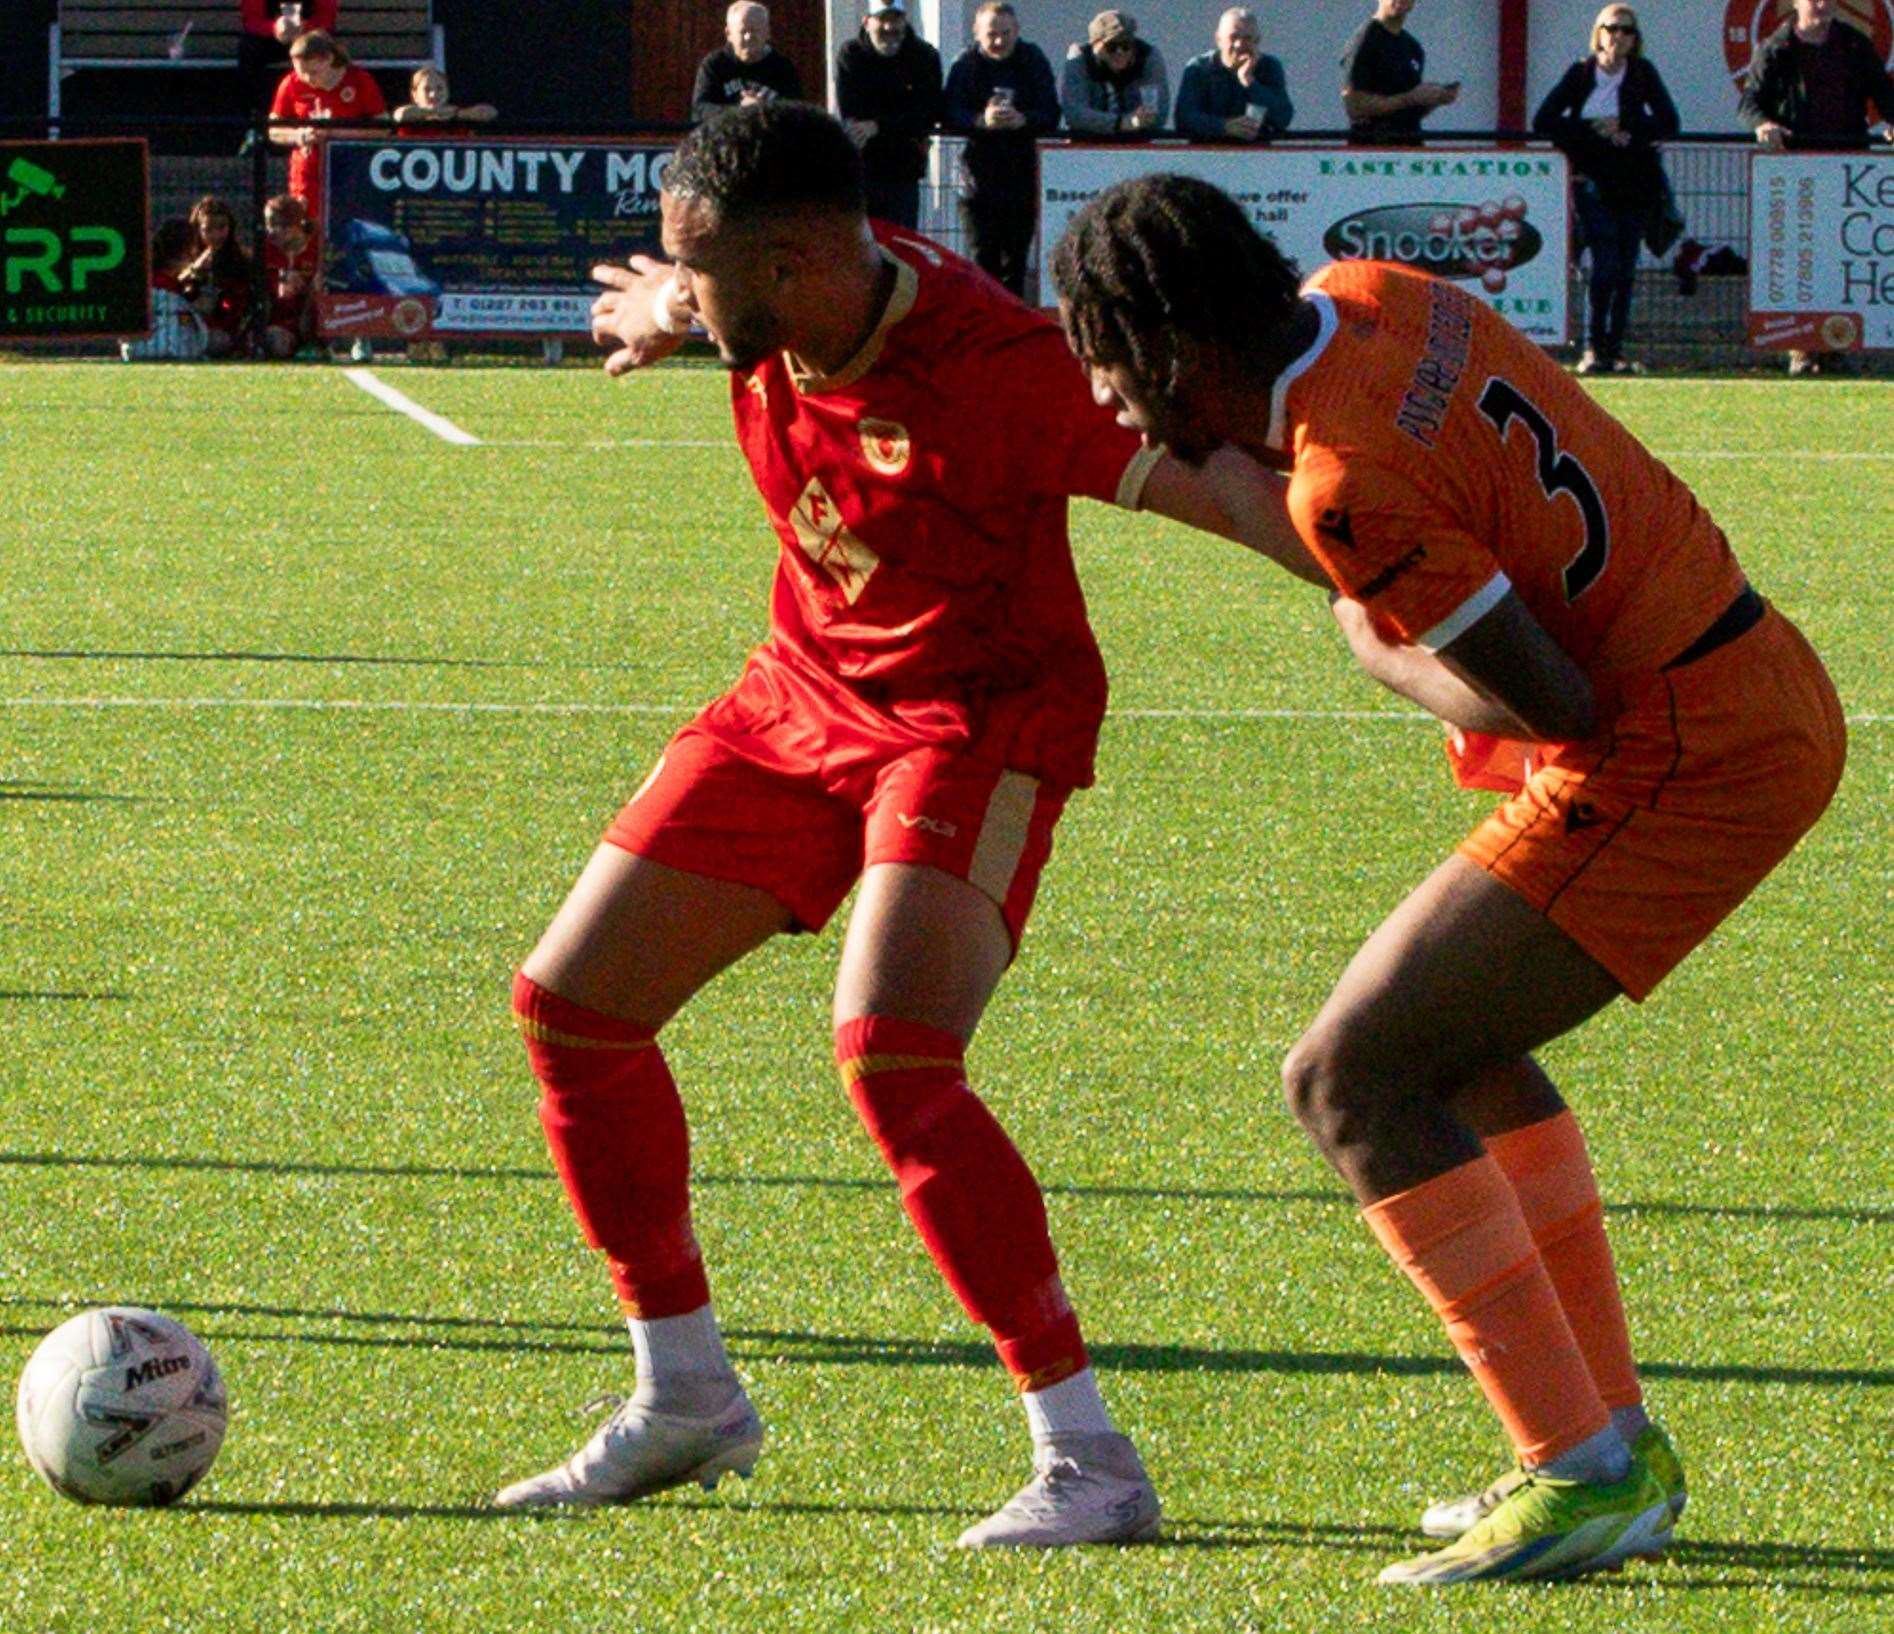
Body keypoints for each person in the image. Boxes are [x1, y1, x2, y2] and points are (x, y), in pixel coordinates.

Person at [1053, 171, 1845, 1584]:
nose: (1108, 399)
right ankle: (1606, 1438)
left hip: (1684, 740)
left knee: (1346, 1075)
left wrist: (1375, 648)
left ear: (1171, 351)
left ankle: (1581, 1470)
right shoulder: (1380, 296)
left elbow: (1540, 702)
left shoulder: (1341, 479)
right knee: (1453, 1047)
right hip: (1741, 670)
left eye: (1107, 360)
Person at [491, 103, 1253, 1548]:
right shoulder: (781, 298)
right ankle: (685, 1395)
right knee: (573, 1006)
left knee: (891, 1052)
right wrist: (668, 304)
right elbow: (692, 290)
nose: (675, 287)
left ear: (785, 265)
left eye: (693, 270)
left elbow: (1221, 491)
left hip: (976, 720)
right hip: (803, 694)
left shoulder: (998, 372)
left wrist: (1421, 595)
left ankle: (1087, 1456)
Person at [1738, 0, 1894, 375]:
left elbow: (1883, 92)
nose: (1822, 5)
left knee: (1839, 258)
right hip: (1797, 172)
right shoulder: (1777, 47)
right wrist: (1763, 125)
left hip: (1845, 170)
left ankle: (1835, 344)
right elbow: (1750, 104)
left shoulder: (1854, 44)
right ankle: (1801, 347)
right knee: (1799, 258)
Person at [1533, 5, 1679, 376]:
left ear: (1635, 39)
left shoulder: (1643, 74)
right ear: (1599, 33)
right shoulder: (1580, 74)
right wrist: (1593, 129)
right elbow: (1544, 120)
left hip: (1634, 184)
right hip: (1593, 184)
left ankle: (1614, 350)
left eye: (1627, 31)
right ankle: (1593, 347)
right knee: (1604, 266)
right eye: (1612, 29)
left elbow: (1668, 122)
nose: (1619, 36)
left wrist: (1628, 126)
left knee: (1626, 270)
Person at [943, 2, 1059, 297]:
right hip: (975, 180)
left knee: (1016, 263)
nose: (999, 41)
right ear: (977, 33)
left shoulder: (1032, 60)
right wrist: (980, 120)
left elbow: (1051, 113)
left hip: (1021, 177)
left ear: (1017, 31)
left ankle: (1012, 329)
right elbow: (948, 112)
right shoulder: (965, 64)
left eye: (1006, 33)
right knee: (982, 260)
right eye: (992, 34)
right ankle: (984, 327)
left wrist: (1024, 119)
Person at [834, 0, 944, 229]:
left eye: (895, 19)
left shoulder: (925, 57)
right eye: (882, 19)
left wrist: (878, 126)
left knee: (901, 250)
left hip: (903, 172)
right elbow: (851, 111)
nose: (888, 27)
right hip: (862, 170)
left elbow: (927, 113)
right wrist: (899, 121)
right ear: (867, 21)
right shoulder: (850, 55)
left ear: (905, 20)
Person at [269, 29, 389, 237]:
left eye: (313, 72)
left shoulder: (359, 80)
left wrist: (336, 134)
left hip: (350, 167)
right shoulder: (290, 84)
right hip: (308, 169)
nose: (307, 79)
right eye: (301, 72)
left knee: (348, 226)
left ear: (329, 59)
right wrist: (297, 136)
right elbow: (273, 129)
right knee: (308, 225)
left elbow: (383, 128)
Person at [1340, 0, 1457, 145]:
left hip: (1409, 147)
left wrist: (1433, 99)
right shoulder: (1366, 39)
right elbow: (1354, 106)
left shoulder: (1412, 47)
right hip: (1374, 150)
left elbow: (1407, 110)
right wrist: (1409, 98)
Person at [1175, 8, 1293, 142]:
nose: (1239, 45)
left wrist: (1249, 82)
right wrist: (1224, 127)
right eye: (1233, 37)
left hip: (1257, 156)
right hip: (1207, 155)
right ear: (1218, 39)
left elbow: (1283, 118)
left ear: (1257, 41)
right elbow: (1184, 118)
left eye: (1247, 38)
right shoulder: (1199, 68)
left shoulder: (1269, 67)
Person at [1061, 11, 1170, 138]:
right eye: (1111, 46)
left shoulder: (1148, 57)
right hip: (1087, 145)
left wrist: (1145, 119)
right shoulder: (1080, 59)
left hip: (1138, 146)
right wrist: (1123, 123)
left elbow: (1159, 113)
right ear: (1095, 45)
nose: (1120, 52)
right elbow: (1075, 114)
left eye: (1126, 46)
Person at [692, 3, 804, 124]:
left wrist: (765, 109)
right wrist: (741, 111)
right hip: (728, 138)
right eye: (743, 31)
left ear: (768, 33)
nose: (749, 37)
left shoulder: (782, 68)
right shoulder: (715, 65)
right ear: (728, 34)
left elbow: (797, 113)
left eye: (755, 31)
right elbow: (700, 110)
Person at [178, 195, 255, 359]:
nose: (216, 235)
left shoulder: (241, 259)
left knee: (218, 341)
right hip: (189, 324)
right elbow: (175, 285)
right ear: (198, 230)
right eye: (208, 230)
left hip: (225, 327)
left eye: (222, 228)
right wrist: (195, 271)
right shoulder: (186, 256)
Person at [121, 220, 209, 362]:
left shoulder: (147, 282)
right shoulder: (167, 289)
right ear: (186, 252)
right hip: (170, 352)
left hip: (134, 353)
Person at [239, 0, 338, 114]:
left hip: (309, 36)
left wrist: (304, 27)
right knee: (249, 48)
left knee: (328, 48)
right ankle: (253, 114)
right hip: (269, 39)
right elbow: (252, 21)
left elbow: (326, 19)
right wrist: (275, 27)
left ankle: (330, 108)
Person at [261, 193, 321, 358]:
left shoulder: (316, 249)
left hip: (312, 318)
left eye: (280, 225)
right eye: (269, 224)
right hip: (280, 321)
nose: (272, 231)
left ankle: (317, 343)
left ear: (297, 224)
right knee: (276, 343)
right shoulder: (267, 250)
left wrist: (308, 289)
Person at [392, 65, 498, 126]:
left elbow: (491, 112)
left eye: (440, 89)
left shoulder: (457, 115)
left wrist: (457, 114)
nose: (433, 95)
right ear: (414, 95)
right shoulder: (409, 115)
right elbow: (400, 115)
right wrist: (436, 112)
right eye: (426, 90)